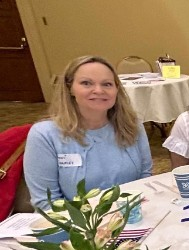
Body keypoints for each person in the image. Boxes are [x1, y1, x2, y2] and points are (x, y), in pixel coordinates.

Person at [24, 56, 152, 210]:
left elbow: (145, 177)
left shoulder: (132, 125)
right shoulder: (45, 135)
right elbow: (46, 202)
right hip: (78, 227)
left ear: (117, 90)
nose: (99, 90)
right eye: (86, 83)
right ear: (70, 88)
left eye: (107, 84)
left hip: (133, 218)